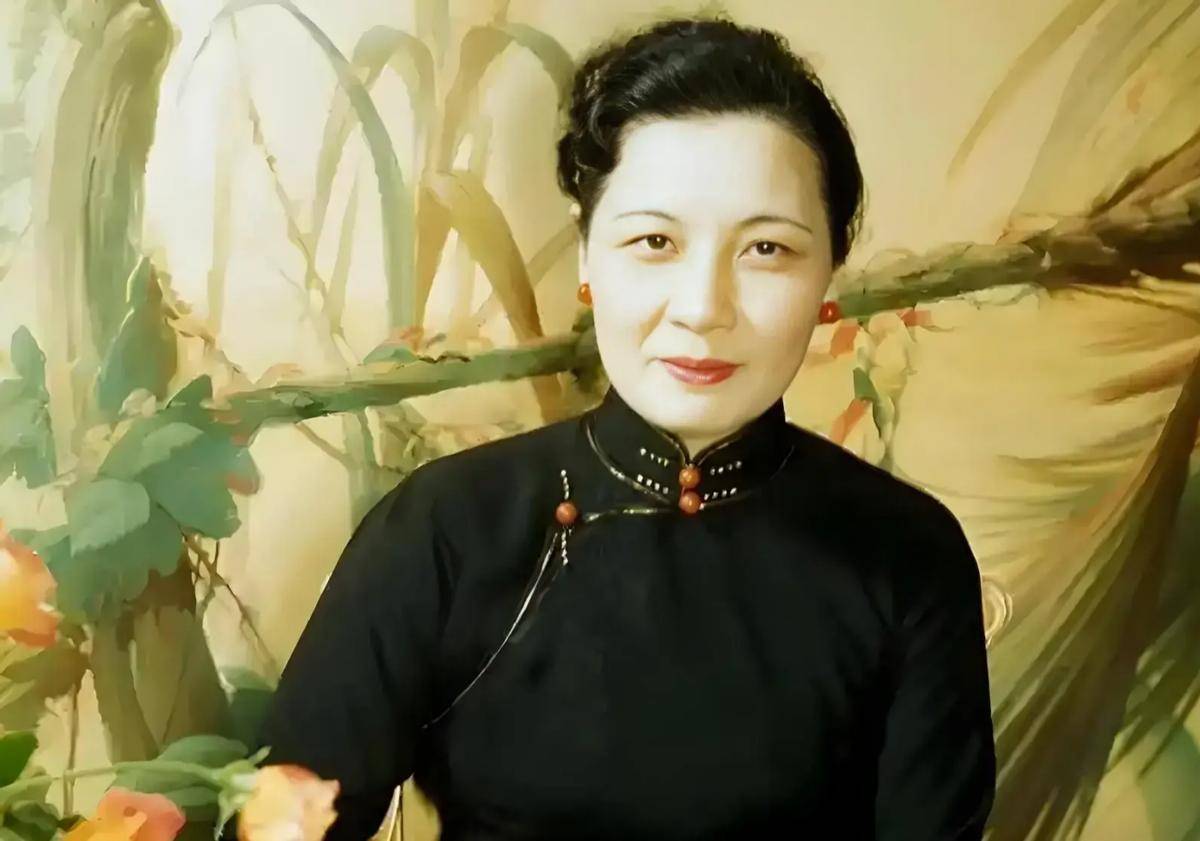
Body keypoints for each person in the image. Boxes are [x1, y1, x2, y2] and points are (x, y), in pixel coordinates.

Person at [248, 15, 996, 841]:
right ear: (587, 257)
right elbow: (281, 826)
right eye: (654, 240)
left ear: (829, 274)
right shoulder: (446, 530)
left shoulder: (906, 556)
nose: (703, 308)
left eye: (767, 250)